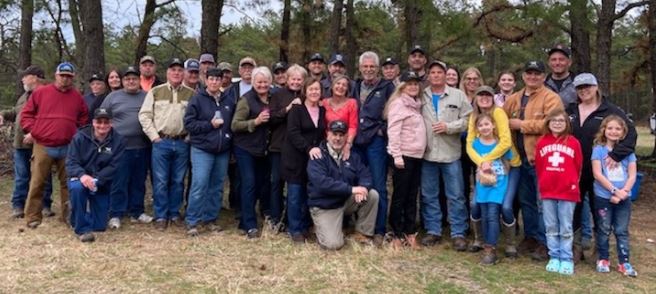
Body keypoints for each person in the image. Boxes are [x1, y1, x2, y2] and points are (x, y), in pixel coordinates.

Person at [565, 73, 637, 262]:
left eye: (588, 86)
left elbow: (631, 134)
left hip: (601, 172)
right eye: (580, 88)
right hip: (574, 169)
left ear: (596, 86)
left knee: (599, 208)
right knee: (575, 208)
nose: (584, 90)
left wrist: (616, 154)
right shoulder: (570, 110)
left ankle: (600, 247)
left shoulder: (610, 110)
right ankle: (577, 247)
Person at [503, 60, 564, 261]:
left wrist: (522, 125)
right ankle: (530, 236)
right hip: (518, 160)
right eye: (529, 73)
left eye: (537, 74)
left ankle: (544, 242)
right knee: (526, 201)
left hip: (541, 159)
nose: (533, 77)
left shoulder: (551, 98)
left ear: (543, 76)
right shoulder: (513, 99)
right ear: (523, 77)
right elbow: (502, 122)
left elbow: (553, 123)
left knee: (542, 202)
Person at [20, 62, 89, 228]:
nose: (65, 79)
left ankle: (68, 217)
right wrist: (34, 131)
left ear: (72, 78)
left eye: (68, 76)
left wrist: (76, 135)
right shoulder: (41, 93)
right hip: (43, 145)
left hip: (68, 147)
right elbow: (26, 115)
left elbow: (84, 119)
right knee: (37, 182)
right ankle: (33, 217)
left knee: (68, 184)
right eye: (62, 75)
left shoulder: (77, 96)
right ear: (56, 75)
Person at [420, 60, 472, 250]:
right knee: (429, 195)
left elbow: (469, 119)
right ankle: (433, 230)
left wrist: (449, 127)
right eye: (432, 72)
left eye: (439, 72)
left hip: (451, 154)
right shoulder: (421, 95)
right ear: (428, 75)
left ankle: (458, 232)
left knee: (456, 195)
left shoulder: (458, 96)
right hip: (427, 154)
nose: (436, 75)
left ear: (445, 75)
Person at [138, 58, 195, 231]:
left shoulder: (191, 94)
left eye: (179, 70)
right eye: (173, 70)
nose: (176, 73)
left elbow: (197, 117)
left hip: (182, 142)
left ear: (183, 73)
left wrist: (189, 137)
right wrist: (154, 137)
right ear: (167, 73)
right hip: (161, 142)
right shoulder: (156, 91)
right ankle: (161, 215)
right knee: (161, 181)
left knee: (178, 181)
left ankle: (174, 213)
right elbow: (144, 115)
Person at [465, 86, 521, 258]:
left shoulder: (498, 113)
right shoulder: (474, 116)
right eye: (480, 94)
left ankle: (508, 244)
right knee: (475, 204)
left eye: (487, 95)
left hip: (507, 166)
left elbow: (505, 142)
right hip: (486, 169)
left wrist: (486, 160)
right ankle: (479, 239)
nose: (484, 98)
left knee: (504, 207)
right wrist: (483, 162)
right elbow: (470, 144)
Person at [307, 120, 379, 250]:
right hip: (325, 206)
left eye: (341, 135)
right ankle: (319, 227)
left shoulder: (352, 156)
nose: (338, 138)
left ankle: (362, 233)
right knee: (333, 245)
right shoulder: (318, 155)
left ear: (347, 137)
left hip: (345, 201)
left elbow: (366, 176)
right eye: (334, 134)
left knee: (372, 195)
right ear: (327, 134)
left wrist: (362, 187)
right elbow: (322, 184)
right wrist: (352, 189)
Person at [183, 68, 235, 236]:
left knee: (217, 186)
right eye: (211, 79)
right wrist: (209, 125)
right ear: (206, 80)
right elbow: (189, 124)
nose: (214, 82)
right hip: (202, 149)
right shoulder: (197, 99)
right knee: (199, 184)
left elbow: (232, 123)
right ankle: (192, 220)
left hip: (222, 150)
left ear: (222, 81)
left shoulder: (229, 99)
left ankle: (210, 218)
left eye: (217, 79)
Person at [101, 66, 153, 228]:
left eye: (134, 79)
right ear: (123, 81)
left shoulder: (147, 96)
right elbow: (101, 117)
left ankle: (136, 211)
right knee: (119, 181)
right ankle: (116, 213)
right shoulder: (112, 97)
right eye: (127, 79)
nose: (131, 81)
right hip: (119, 148)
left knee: (138, 181)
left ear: (139, 80)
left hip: (142, 146)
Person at [352, 51, 395, 246]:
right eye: (365, 66)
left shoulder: (387, 87)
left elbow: (395, 113)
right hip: (356, 141)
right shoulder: (355, 86)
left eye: (372, 67)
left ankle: (379, 229)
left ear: (377, 69)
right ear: (360, 68)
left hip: (376, 142)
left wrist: (382, 131)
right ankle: (360, 226)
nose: (368, 70)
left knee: (378, 185)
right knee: (358, 183)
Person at [1, 65, 54, 219]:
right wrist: (3, 115)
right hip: (20, 144)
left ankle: (44, 205)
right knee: (21, 176)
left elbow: (49, 118)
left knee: (43, 175)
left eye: (25, 75)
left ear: (35, 77)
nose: (22, 78)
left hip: (39, 143)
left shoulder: (47, 94)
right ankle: (18, 205)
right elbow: (16, 112)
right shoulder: (24, 96)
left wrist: (34, 133)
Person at [66, 108, 125, 242]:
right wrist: (82, 175)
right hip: (80, 177)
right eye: (99, 122)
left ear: (111, 123)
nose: (102, 126)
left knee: (99, 226)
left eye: (106, 122)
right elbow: (71, 162)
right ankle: (82, 230)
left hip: (101, 181)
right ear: (93, 122)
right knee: (77, 189)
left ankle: (76, 213)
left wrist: (97, 179)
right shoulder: (80, 137)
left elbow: (115, 165)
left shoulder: (118, 140)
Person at [535, 109, 583, 275]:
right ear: (548, 123)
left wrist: (571, 183)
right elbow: (540, 166)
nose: (557, 123)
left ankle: (566, 258)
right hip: (548, 190)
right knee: (551, 225)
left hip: (567, 190)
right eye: (553, 120)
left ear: (567, 123)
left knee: (566, 225)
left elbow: (578, 166)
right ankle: (554, 256)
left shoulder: (573, 142)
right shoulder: (542, 142)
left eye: (561, 120)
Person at [591, 115, 638, 277]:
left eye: (618, 128)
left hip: (623, 198)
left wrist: (623, 192)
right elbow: (597, 174)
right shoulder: (598, 150)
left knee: (621, 230)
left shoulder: (628, 152)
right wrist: (613, 191)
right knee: (603, 229)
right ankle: (603, 259)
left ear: (623, 132)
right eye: (610, 128)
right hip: (603, 197)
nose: (613, 131)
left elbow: (632, 175)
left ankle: (624, 261)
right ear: (604, 130)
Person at [384, 71, 426, 249]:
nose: (413, 87)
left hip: (417, 156)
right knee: (400, 196)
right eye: (409, 84)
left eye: (416, 84)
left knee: (412, 196)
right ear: (403, 86)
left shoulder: (416, 104)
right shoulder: (399, 104)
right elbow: (393, 131)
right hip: (403, 156)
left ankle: (410, 231)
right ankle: (396, 232)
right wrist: (397, 155)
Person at [281, 78, 326, 244]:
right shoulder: (297, 109)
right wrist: (308, 148)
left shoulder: (322, 111)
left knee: (309, 193)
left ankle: (306, 225)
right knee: (294, 195)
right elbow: (293, 133)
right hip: (295, 157)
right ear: (305, 91)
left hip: (313, 160)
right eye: (311, 89)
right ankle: (295, 229)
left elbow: (321, 134)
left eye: (317, 89)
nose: (314, 92)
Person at [231, 66, 273, 239]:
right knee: (249, 184)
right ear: (253, 83)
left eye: (265, 82)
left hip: (264, 149)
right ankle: (249, 224)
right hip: (245, 148)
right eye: (259, 82)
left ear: (270, 83)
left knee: (262, 184)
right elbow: (235, 125)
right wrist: (255, 122)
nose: (262, 85)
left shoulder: (273, 98)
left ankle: (250, 218)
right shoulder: (246, 100)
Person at [469, 113, 515, 265]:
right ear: (477, 128)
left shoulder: (500, 144)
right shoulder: (475, 144)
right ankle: (483, 241)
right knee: (483, 212)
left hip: (498, 184)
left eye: (487, 124)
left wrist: (500, 175)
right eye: (481, 125)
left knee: (493, 214)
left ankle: (491, 248)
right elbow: (475, 161)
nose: (484, 128)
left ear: (494, 125)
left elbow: (509, 161)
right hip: (483, 184)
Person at [268, 64, 307, 229]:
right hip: (279, 145)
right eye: (293, 78)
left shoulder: (307, 96)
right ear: (287, 79)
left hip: (298, 148)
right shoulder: (278, 95)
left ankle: (296, 219)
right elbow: (272, 118)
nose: (296, 82)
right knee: (276, 182)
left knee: (298, 184)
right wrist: (288, 108)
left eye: (299, 79)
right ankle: (275, 217)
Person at [324, 75, 358, 158]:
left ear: (347, 89)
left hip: (344, 142)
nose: (340, 87)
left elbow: (353, 126)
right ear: (332, 86)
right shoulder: (323, 103)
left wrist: (348, 145)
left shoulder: (352, 103)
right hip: (327, 143)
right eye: (338, 83)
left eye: (344, 85)